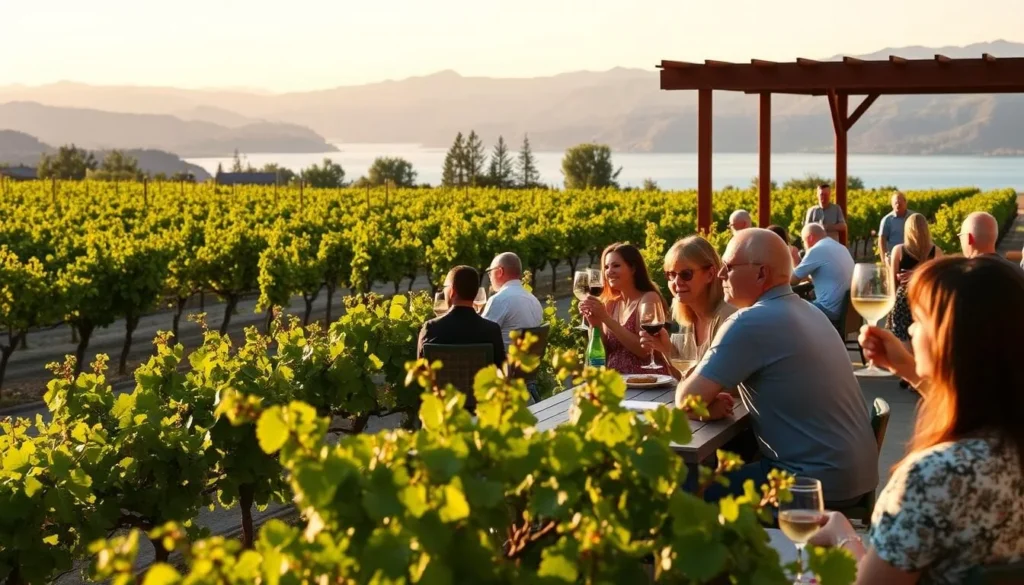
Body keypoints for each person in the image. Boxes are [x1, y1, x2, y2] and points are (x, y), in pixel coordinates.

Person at [809, 257, 1024, 585]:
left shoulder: (935, 475)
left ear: (950, 342)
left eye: (920, 319)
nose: (909, 328)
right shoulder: (1007, 446)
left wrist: (843, 535)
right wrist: (908, 368)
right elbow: (973, 402)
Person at [676, 228, 878, 505]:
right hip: (854, 476)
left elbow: (687, 400)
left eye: (729, 267)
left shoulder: (748, 322)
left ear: (761, 273)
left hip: (807, 483)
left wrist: (704, 407)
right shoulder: (811, 311)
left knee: (680, 486)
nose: (722, 275)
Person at [639, 236, 736, 379]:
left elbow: (717, 382)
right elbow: (683, 377)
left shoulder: (727, 317)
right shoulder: (689, 321)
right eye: (671, 275)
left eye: (686, 274)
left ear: (710, 274)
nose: (676, 282)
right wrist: (666, 349)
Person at [580, 243, 669, 376]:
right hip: (616, 382)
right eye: (606, 267)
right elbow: (603, 351)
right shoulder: (611, 303)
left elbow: (644, 350)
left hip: (646, 383)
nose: (609, 271)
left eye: (616, 266)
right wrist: (595, 324)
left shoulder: (648, 298)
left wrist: (605, 318)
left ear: (633, 268)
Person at [417, 265, 506, 373]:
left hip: (442, 390)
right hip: (480, 390)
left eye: (445, 287)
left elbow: (420, 373)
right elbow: (501, 371)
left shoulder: (431, 329)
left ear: (452, 291)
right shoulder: (492, 330)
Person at [886, 213, 940, 342]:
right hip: (926, 301)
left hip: (903, 301)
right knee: (924, 341)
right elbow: (939, 280)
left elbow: (892, 281)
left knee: (902, 342)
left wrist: (891, 308)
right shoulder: (936, 251)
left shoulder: (898, 250)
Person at [791, 223, 855, 322]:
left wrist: (793, 257)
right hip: (847, 313)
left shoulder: (817, 249)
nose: (804, 245)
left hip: (829, 311)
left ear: (810, 238)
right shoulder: (840, 247)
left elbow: (792, 280)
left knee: (788, 308)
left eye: (803, 241)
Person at [481, 252, 543, 349]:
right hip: (527, 362)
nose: (490, 277)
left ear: (500, 271)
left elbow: (481, 336)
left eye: (490, 272)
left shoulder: (499, 300)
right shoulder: (534, 300)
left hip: (503, 363)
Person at [877, 191, 912, 261]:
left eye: (900, 203)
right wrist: (884, 259)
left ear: (905, 203)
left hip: (911, 255)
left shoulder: (913, 217)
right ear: (892, 205)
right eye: (895, 203)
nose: (898, 205)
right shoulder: (887, 220)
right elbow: (882, 240)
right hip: (893, 257)